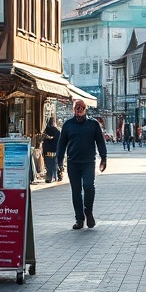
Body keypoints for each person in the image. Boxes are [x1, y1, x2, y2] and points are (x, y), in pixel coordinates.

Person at [56, 98, 107, 229]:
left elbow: (100, 141)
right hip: (73, 163)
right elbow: (61, 144)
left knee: (89, 187)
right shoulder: (68, 125)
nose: (79, 110)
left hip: (89, 162)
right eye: (77, 108)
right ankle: (79, 219)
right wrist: (59, 160)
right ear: (73, 110)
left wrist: (103, 158)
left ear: (85, 109)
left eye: (82, 108)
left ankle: (88, 211)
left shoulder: (93, 124)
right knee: (76, 191)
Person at [41, 117, 61, 182]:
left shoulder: (46, 130)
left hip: (47, 151)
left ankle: (49, 178)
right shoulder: (57, 131)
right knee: (55, 164)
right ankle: (57, 177)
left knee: (49, 165)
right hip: (55, 150)